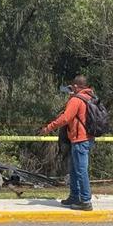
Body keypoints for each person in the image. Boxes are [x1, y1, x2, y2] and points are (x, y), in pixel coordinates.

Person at [40, 75, 95, 211]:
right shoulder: (89, 97)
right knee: (75, 170)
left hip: (80, 139)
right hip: (85, 138)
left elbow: (66, 118)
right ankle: (74, 196)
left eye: (71, 87)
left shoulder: (76, 100)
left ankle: (86, 200)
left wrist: (48, 128)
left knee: (81, 170)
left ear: (75, 86)